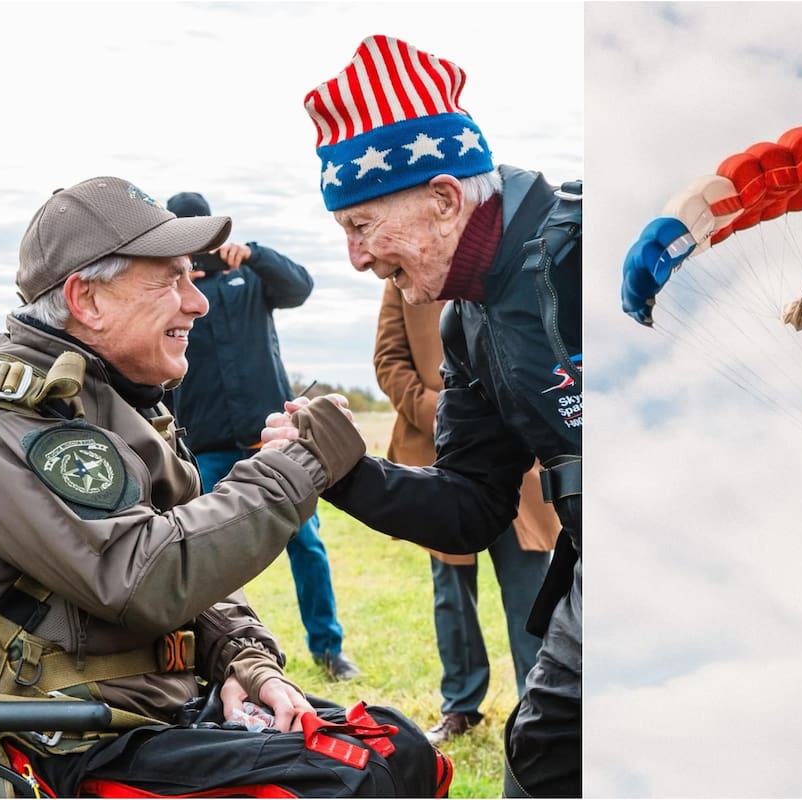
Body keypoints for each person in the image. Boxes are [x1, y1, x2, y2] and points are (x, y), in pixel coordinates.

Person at [0, 176, 442, 796]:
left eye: (193, 277)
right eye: (171, 280)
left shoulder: (120, 404)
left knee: (402, 749)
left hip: (154, 713)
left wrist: (247, 665)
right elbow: (146, 574)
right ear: (86, 300)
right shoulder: (15, 422)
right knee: (346, 783)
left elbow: (191, 567)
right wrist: (300, 463)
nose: (196, 302)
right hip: (66, 740)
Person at [268, 35, 583, 797]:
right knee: (541, 755)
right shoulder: (463, 323)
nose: (356, 259)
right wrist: (343, 470)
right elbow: (473, 507)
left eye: (360, 226)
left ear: (444, 198)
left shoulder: (583, 250)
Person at [165, 190, 359, 682]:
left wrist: (255, 253)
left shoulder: (249, 274)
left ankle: (329, 649)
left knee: (306, 545)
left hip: (267, 440)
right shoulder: (173, 290)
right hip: (202, 446)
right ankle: (203, 655)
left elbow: (299, 288)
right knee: (197, 552)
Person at [373, 280, 557, 745]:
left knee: (530, 591)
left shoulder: (509, 266)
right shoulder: (403, 281)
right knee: (451, 594)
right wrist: (442, 409)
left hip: (519, 455)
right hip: (438, 455)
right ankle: (461, 705)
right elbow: (389, 361)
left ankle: (539, 709)